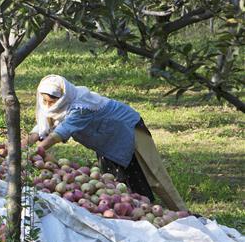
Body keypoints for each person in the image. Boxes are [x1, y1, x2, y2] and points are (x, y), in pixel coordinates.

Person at [26, 74, 188, 212]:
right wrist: (21, 146)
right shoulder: (60, 106)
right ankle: (139, 213)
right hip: (107, 139)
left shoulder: (81, 107)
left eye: (51, 101)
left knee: (154, 174)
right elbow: (42, 128)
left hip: (128, 130)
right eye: (45, 101)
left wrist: (36, 151)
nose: (48, 106)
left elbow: (59, 133)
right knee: (117, 184)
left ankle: (182, 212)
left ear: (63, 97)